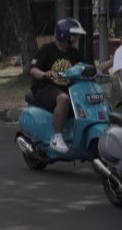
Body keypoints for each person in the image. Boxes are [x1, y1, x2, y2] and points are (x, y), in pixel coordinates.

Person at [29, 18, 112, 153]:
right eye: (74, 35)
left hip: (66, 89)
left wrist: (112, 61)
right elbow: (33, 70)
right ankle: (56, 137)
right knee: (63, 99)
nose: (76, 38)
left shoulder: (74, 53)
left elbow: (91, 68)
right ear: (64, 34)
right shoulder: (47, 49)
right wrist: (45, 74)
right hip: (44, 87)